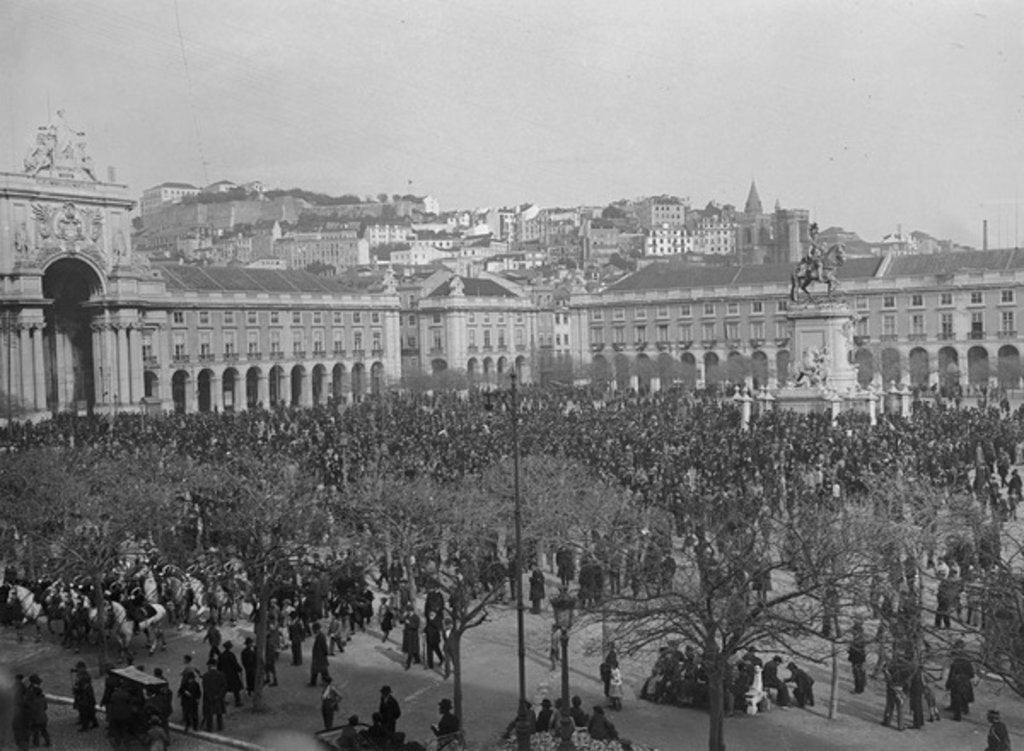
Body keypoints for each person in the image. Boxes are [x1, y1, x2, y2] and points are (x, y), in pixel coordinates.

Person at [946, 641, 975, 721]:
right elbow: (971, 674)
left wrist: (948, 683)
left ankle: (957, 715)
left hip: (957, 683)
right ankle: (964, 709)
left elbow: (951, 675)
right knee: (964, 696)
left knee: (957, 698)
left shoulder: (955, 663)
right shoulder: (967, 661)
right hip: (965, 682)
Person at [24, 674, 50, 747]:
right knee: (43, 731)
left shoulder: (30, 693)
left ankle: (32, 743)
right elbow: (45, 707)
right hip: (43, 718)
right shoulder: (42, 698)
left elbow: (27, 705)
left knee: (32, 730)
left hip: (35, 718)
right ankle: (48, 742)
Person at [72, 661, 99, 731]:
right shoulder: (81, 674)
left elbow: (83, 687)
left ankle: (85, 726)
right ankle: (89, 722)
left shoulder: (85, 676)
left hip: (85, 696)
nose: (77, 669)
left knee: (86, 711)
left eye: (79, 668)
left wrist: (76, 688)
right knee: (84, 710)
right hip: (83, 695)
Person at [202, 659, 227, 732]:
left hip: (209, 697)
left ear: (210, 666)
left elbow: (205, 688)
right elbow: (224, 686)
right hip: (219, 697)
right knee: (219, 713)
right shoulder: (221, 674)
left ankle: (209, 727)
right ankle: (220, 726)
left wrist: (210, 696)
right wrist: (220, 695)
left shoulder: (206, 676)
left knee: (209, 713)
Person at [218, 641, 244, 707]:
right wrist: (239, 669)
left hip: (224, 674)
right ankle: (237, 702)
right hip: (232, 674)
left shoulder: (221, 655)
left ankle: (221, 700)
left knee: (224, 688)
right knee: (236, 688)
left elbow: (219, 666)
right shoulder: (231, 655)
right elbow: (234, 664)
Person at [310, 622, 331, 686]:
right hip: (320, 656)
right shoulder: (320, 635)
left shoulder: (321, 636)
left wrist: (325, 652)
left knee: (318, 670)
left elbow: (324, 646)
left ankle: (315, 682)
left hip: (320, 656)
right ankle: (315, 682)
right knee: (321, 670)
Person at [848, 623, 867, 694]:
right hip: (856, 659)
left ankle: (858, 689)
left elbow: (858, 650)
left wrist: (851, 649)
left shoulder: (859, 639)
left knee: (857, 675)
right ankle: (860, 686)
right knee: (859, 674)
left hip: (857, 659)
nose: (852, 632)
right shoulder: (857, 637)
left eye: (854, 630)